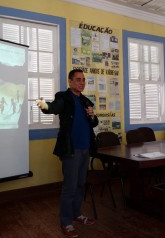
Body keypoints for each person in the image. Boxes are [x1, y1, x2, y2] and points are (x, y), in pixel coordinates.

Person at [36, 69, 98, 238]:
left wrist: (92, 116)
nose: (82, 83)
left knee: (80, 184)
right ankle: (66, 221)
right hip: (71, 149)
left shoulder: (86, 101)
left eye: (83, 80)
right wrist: (45, 105)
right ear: (70, 82)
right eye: (78, 80)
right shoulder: (63, 97)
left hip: (86, 148)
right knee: (70, 186)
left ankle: (76, 214)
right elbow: (53, 107)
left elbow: (94, 122)